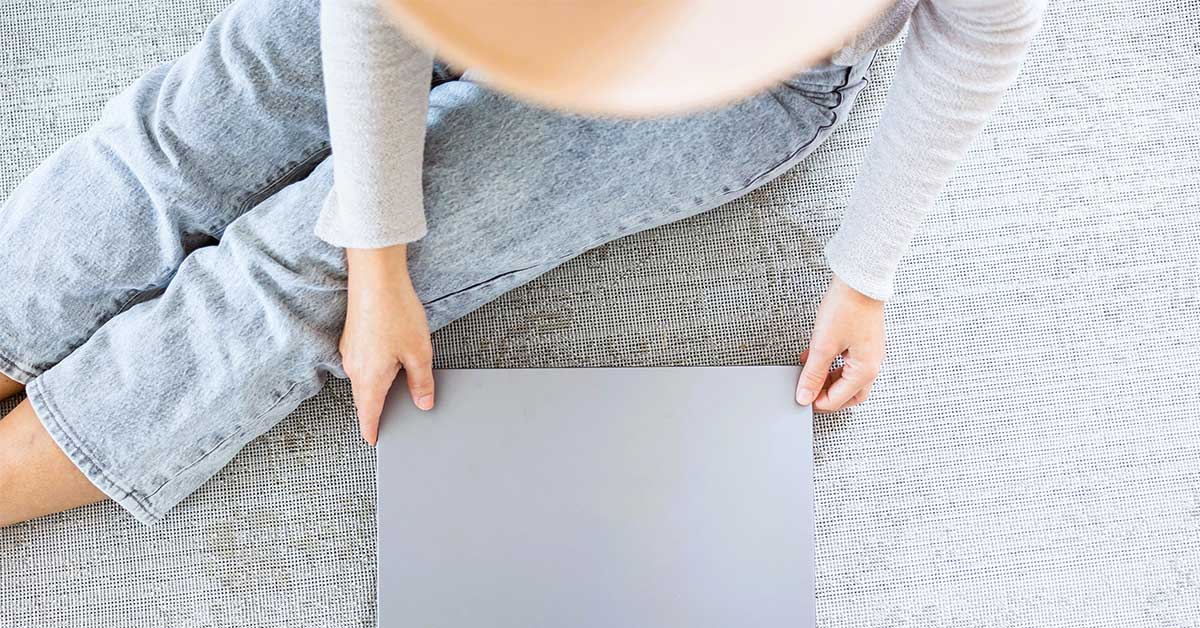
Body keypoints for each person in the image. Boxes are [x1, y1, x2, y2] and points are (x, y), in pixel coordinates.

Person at [0, 0, 1043, 527]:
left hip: (759, 79)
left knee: (289, 270)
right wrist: (375, 255)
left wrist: (867, 274)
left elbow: (981, 32)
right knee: (185, 140)